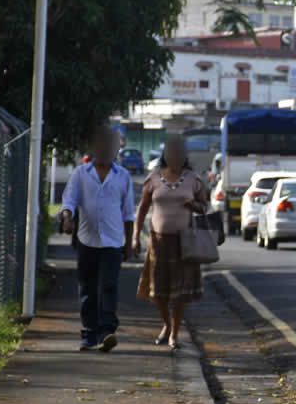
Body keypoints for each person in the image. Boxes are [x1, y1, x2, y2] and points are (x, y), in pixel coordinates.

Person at [59, 125, 135, 351]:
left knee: (109, 286)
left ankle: (107, 332)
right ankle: (89, 333)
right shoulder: (80, 174)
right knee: (88, 289)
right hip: (87, 239)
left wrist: (130, 242)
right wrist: (67, 218)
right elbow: (69, 201)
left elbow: (128, 212)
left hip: (113, 241)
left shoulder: (123, 176)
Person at [133, 136, 209, 350]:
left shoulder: (193, 179)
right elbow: (142, 208)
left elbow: (205, 208)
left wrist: (193, 204)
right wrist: (135, 235)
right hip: (157, 243)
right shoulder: (154, 178)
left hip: (184, 243)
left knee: (180, 293)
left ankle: (174, 334)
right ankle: (166, 324)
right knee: (157, 293)